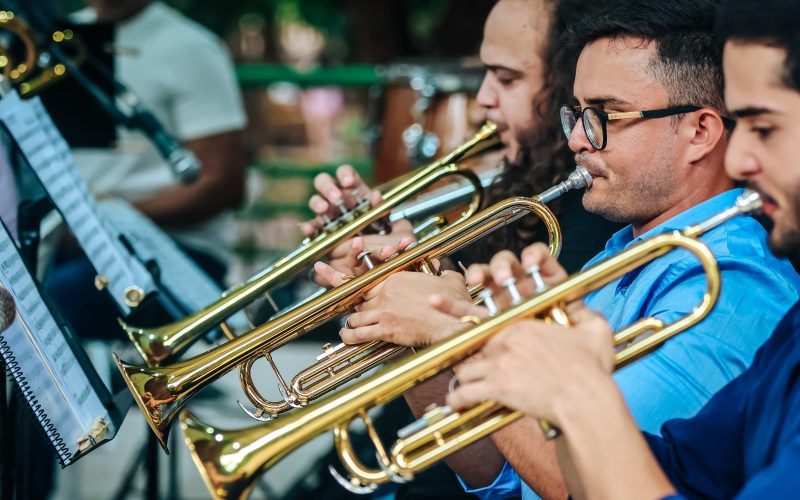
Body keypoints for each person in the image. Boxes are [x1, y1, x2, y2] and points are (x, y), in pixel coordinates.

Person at [319, 1, 800, 498]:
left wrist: (458, 335)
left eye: (605, 115)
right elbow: (505, 476)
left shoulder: (727, 282)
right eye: (577, 114)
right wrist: (415, 345)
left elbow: (587, 486)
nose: (575, 139)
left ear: (699, 132)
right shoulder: (625, 250)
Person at [287, 1, 621, 498]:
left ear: (567, 86)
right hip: (425, 448)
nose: (483, 97)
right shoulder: (511, 184)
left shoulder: (594, 217)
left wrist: (428, 297)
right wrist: (385, 255)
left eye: (506, 79)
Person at [45, 0, 247, 338]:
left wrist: (101, 229)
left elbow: (223, 181)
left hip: (176, 254)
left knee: (53, 305)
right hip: (72, 246)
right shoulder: (56, 37)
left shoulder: (192, 47)